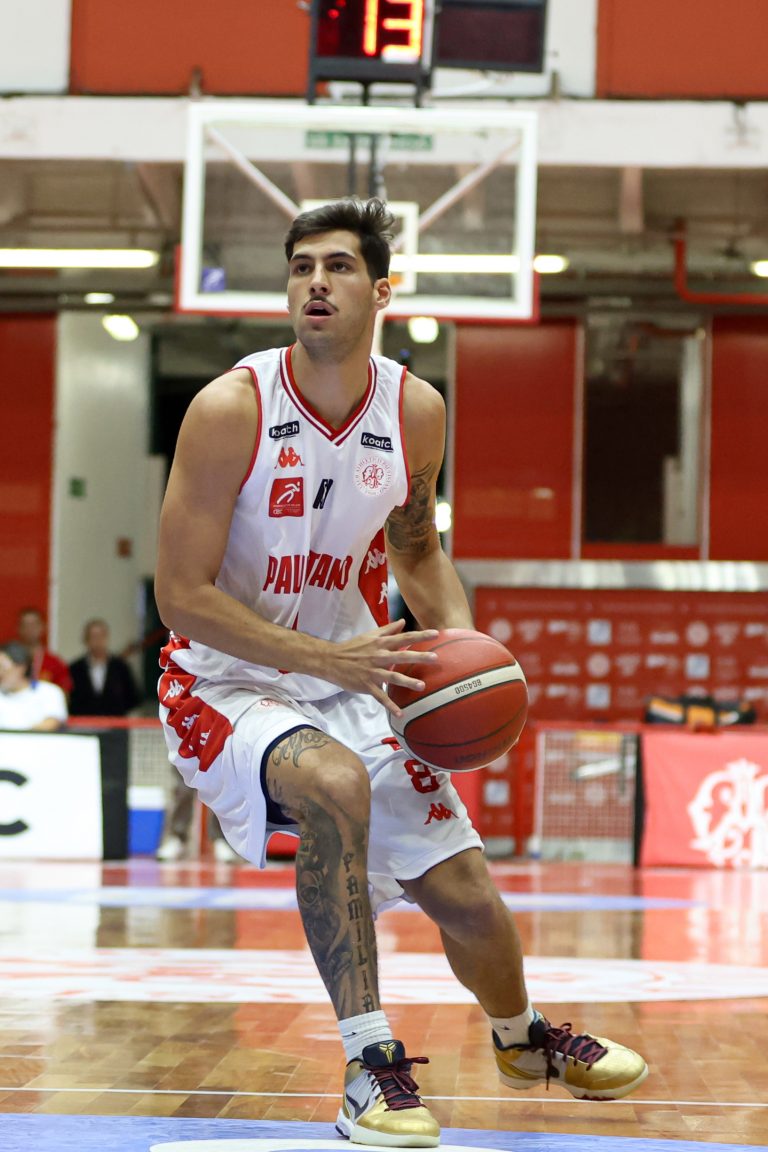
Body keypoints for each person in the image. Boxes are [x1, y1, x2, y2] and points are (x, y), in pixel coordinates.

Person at [154, 197, 648, 1148]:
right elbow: (179, 595)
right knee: (334, 784)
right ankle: (368, 1067)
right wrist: (325, 657)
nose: (315, 284)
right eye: (301, 267)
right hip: (224, 681)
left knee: (467, 893)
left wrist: (463, 661)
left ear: (382, 292)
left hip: (356, 675)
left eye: (338, 267)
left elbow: (416, 551)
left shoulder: (415, 411)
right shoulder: (230, 409)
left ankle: (523, 1040)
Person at [68, 618, 142, 717]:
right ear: (86, 640)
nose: (98, 641)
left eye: (101, 636)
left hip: (115, 722)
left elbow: (133, 697)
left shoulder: (121, 667)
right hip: (84, 722)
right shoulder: (75, 669)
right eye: (94, 637)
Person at [0, 641, 68, 731]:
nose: (0, 673)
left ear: (20, 667)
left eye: (2, 667)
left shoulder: (49, 692)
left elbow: (52, 723)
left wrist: (22, 736)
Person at [15, 607, 72, 696]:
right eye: (25, 625)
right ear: (18, 628)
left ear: (42, 627)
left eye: (34, 625)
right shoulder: (9, 661)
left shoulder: (55, 663)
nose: (30, 629)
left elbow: (64, 694)